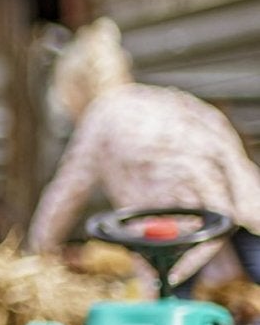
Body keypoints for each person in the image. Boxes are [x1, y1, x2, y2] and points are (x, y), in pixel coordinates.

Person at [27, 17, 260, 288]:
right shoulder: (156, 99)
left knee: (171, 293)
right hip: (239, 197)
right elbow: (217, 131)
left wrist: (37, 251)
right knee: (253, 260)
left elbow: (67, 191)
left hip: (179, 220)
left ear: (76, 89)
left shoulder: (100, 116)